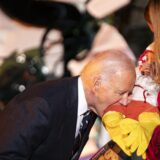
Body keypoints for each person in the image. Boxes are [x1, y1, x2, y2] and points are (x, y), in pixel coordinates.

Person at [0, 49, 135, 160]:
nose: (126, 101)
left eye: (129, 94)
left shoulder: (90, 106)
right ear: (97, 84)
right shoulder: (41, 105)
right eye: (121, 93)